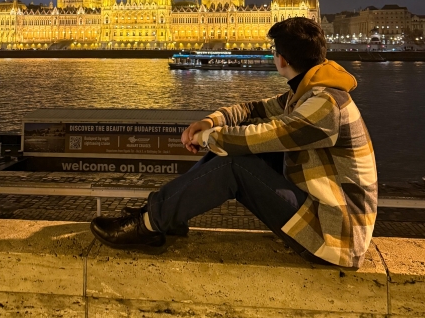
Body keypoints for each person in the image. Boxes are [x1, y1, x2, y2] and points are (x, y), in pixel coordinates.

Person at [90, 18, 377, 269]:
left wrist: (208, 138)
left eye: (273, 51)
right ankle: (167, 216)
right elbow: (253, 109)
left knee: (234, 164)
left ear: (282, 60)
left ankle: (149, 225)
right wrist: (211, 122)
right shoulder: (307, 94)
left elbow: (264, 135)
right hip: (324, 219)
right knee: (236, 153)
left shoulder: (326, 106)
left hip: (335, 239)